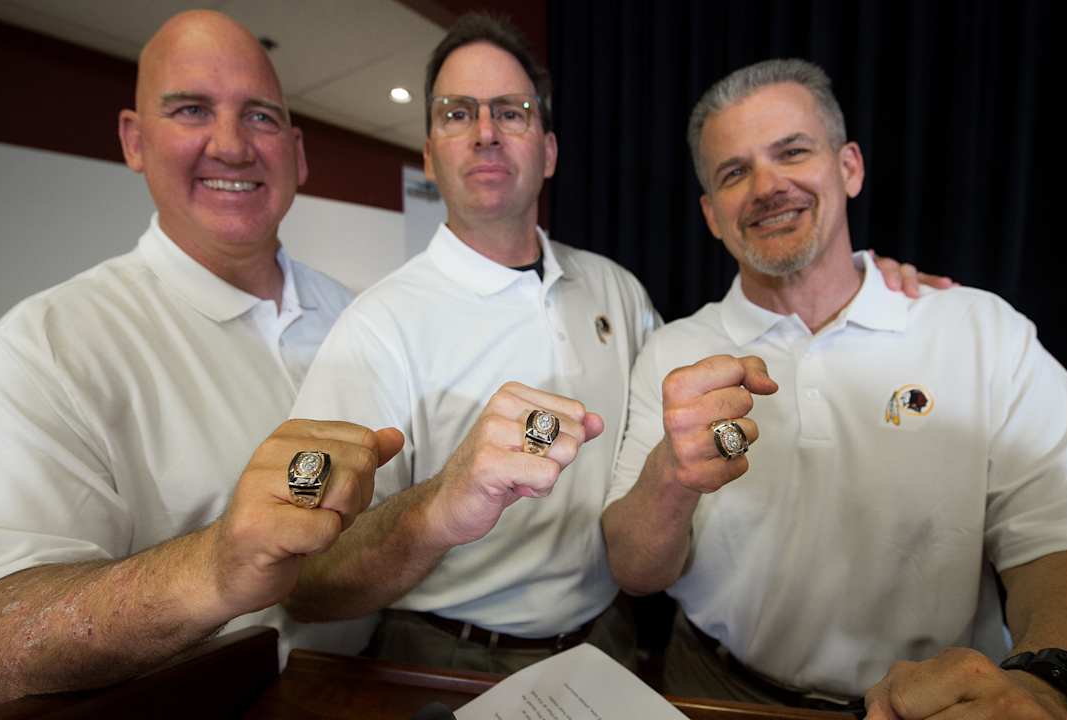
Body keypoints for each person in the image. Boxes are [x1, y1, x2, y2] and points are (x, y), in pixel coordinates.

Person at [281, 15, 941, 674]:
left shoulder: (615, 291)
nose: (485, 132)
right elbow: (307, 583)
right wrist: (441, 503)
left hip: (610, 644)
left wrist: (862, 285)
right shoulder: (379, 325)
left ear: (548, 150)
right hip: (446, 655)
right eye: (458, 113)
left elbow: (666, 433)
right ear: (428, 152)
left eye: (511, 113)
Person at [601, 58, 1067, 718]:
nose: (767, 186)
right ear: (712, 214)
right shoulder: (673, 350)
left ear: (849, 167)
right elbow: (636, 569)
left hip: (931, 709)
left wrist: (1049, 690)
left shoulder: (981, 332)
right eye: (734, 172)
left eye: (792, 152)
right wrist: (672, 475)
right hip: (713, 692)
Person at [0, 10, 397, 712]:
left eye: (259, 116)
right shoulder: (49, 345)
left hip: (368, 692)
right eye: (192, 109)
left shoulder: (362, 318)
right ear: (135, 140)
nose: (230, 145)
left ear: (297, 152)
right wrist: (216, 566)